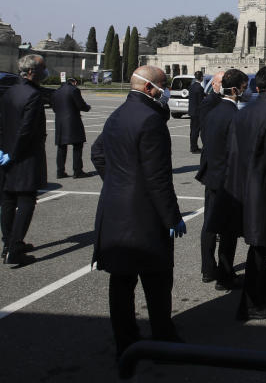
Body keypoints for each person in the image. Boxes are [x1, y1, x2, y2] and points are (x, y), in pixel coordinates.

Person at [91, 65, 187, 359]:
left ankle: (125, 340)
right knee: (157, 281)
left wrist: (120, 183)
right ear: (150, 88)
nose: (166, 91)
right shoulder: (150, 120)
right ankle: (162, 337)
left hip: (114, 207)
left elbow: (98, 154)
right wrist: (172, 217)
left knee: (121, 282)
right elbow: (158, 178)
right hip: (144, 215)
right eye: (164, 86)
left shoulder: (117, 114)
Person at [225, 66, 266, 321]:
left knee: (259, 246)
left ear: (256, 87)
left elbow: (232, 151)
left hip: (241, 186)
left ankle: (264, 292)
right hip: (263, 189)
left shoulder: (242, 112)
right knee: (260, 248)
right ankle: (251, 304)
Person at [0, 54, 49, 265]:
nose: (45, 71)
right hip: (24, 156)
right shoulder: (33, 95)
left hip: (6, 155)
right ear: (32, 72)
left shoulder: (10, 92)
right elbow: (26, 131)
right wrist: (13, 154)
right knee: (25, 201)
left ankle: (8, 242)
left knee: (8, 201)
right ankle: (15, 248)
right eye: (43, 68)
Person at [196, 69, 247, 291]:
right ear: (235, 89)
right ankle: (225, 275)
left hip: (212, 175)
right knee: (228, 229)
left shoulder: (213, 111)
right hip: (228, 178)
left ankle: (208, 269)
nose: (246, 91)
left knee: (209, 224)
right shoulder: (235, 116)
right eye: (244, 87)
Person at [50, 77, 91, 179]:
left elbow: (54, 107)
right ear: (75, 82)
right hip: (73, 121)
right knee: (77, 145)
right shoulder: (74, 90)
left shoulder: (57, 91)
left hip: (60, 122)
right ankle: (77, 171)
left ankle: (60, 171)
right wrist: (87, 107)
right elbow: (80, 105)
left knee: (61, 147)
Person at [188, 71, 205, 154]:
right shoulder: (200, 88)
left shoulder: (191, 86)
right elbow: (201, 102)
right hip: (197, 112)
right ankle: (194, 148)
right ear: (201, 77)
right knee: (196, 131)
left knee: (192, 130)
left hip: (192, 111)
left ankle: (192, 146)